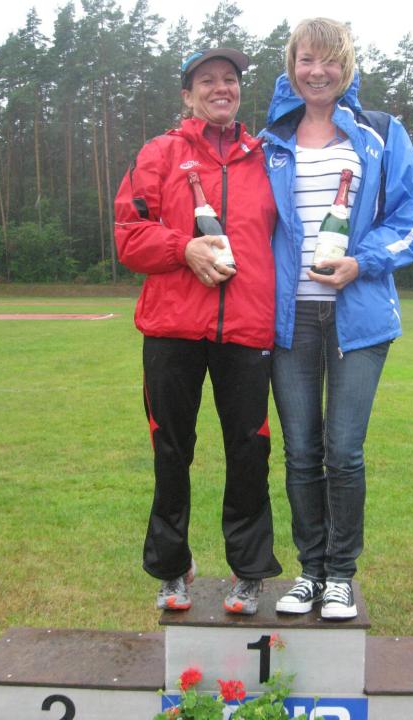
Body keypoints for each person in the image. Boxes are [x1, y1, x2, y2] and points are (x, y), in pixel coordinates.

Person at [262, 19, 413, 620]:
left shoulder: (382, 132)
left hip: (358, 319)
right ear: (292, 65)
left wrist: (362, 262)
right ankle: (309, 572)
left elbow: (409, 214)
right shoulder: (269, 141)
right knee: (301, 452)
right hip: (291, 320)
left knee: (344, 452)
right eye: (307, 59)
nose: (318, 72)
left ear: (347, 66)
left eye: (330, 60)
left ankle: (340, 576)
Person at [114, 48, 282, 616]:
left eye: (229, 79)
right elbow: (129, 234)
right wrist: (183, 248)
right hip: (172, 329)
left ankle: (249, 570)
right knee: (171, 449)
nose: (220, 87)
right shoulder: (159, 153)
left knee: (250, 451)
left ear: (240, 91)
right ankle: (172, 566)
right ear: (187, 95)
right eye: (206, 80)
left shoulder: (266, 158)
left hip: (247, 329)